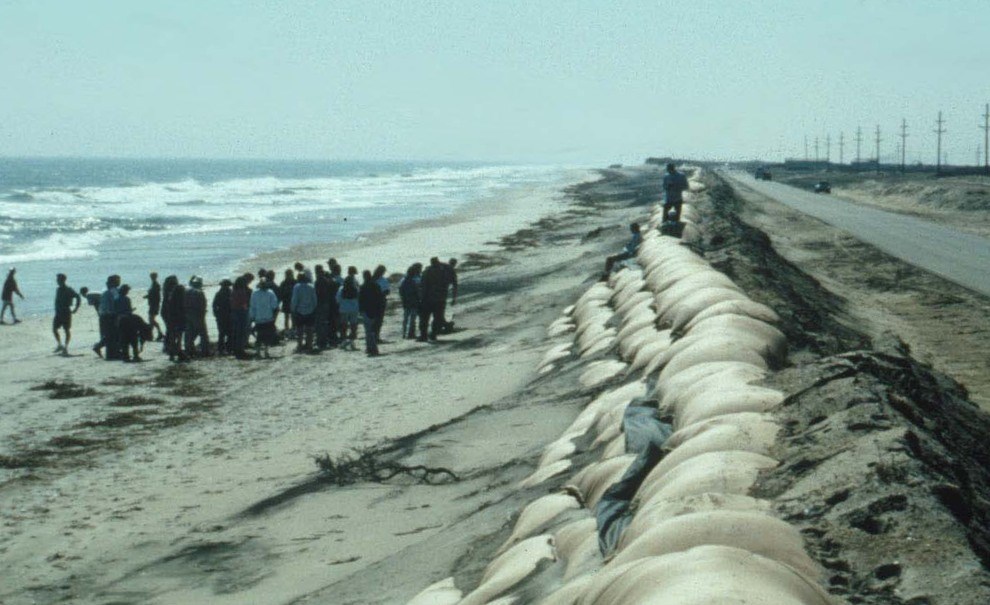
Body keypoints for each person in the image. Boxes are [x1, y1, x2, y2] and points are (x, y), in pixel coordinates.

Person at [249, 277, 280, 358]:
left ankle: (258, 352)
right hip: (268, 317)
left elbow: (252, 306)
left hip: (259, 318)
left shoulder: (254, 293)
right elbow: (274, 305)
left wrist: (252, 317)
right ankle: (266, 352)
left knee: (259, 335)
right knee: (267, 336)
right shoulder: (270, 293)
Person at [418, 257, 446, 341]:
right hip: (439, 299)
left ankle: (424, 335)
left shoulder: (427, 272)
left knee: (424, 319)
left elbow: (423, 286)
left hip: (427, 299)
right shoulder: (442, 272)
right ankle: (433, 334)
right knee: (437, 318)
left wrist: (421, 298)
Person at [52, 273, 81, 356]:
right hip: (58, 312)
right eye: (57, 280)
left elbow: (77, 296)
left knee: (66, 330)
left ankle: (66, 346)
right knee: (54, 329)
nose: (57, 281)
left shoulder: (68, 289)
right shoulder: (58, 289)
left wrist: (76, 308)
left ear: (62, 280)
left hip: (66, 312)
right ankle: (59, 344)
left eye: (58, 280)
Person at [359, 269, 385, 356]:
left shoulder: (363, 286)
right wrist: (380, 310)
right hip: (376, 311)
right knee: (373, 331)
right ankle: (371, 348)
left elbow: (360, 300)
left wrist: (361, 311)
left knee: (368, 331)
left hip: (366, 311)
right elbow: (380, 299)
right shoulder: (376, 285)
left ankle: (371, 348)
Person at [291, 269, 317, 352]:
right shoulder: (311, 286)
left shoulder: (297, 287)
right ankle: (309, 345)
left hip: (299, 310)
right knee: (309, 329)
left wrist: (293, 309)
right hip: (310, 310)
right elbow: (314, 300)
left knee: (300, 330)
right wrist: (314, 308)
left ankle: (299, 345)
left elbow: (295, 300)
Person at [184, 276, 210, 357]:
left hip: (187, 314)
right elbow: (203, 305)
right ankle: (205, 350)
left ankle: (189, 349)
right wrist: (203, 313)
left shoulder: (186, 291)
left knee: (189, 332)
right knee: (203, 333)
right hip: (197, 314)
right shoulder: (199, 292)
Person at [96, 275, 121, 359]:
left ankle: (109, 351)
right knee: (113, 335)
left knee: (108, 334)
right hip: (109, 315)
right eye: (117, 281)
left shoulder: (105, 291)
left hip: (104, 315)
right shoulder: (113, 291)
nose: (119, 282)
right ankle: (113, 354)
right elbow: (115, 304)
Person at [336, 267, 360, 349]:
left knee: (344, 325)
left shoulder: (342, 288)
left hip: (344, 308)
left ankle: (344, 340)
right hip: (354, 308)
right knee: (353, 325)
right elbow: (359, 297)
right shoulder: (356, 287)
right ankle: (352, 341)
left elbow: (337, 299)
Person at [229, 275, 252, 359]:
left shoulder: (233, 291)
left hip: (234, 312)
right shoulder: (241, 291)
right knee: (242, 332)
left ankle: (236, 350)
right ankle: (240, 350)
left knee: (236, 332)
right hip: (241, 312)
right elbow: (244, 303)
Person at [164, 280, 187, 361]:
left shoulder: (171, 299)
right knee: (179, 337)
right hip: (179, 320)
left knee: (172, 337)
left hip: (171, 320)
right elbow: (183, 310)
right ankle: (179, 351)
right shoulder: (181, 300)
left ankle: (172, 354)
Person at [398, 263, 422, 339]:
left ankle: (404, 334)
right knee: (412, 319)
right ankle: (411, 334)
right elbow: (417, 292)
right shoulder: (414, 281)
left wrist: (403, 299)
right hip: (414, 302)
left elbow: (400, 291)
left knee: (405, 319)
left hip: (406, 302)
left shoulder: (403, 280)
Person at [113, 284, 135, 361]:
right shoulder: (127, 299)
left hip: (119, 319)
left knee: (122, 338)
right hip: (127, 319)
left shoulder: (116, 299)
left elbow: (115, 310)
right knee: (131, 337)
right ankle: (135, 355)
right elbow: (129, 310)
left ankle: (125, 355)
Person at [437, 258, 458, 333]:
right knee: (440, 310)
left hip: (434, 291)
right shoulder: (452, 271)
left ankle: (439, 325)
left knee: (437, 310)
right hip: (443, 293)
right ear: (455, 264)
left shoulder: (443, 268)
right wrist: (454, 298)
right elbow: (455, 286)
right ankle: (440, 326)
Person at [212, 279, 233, 355]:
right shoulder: (230, 293)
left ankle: (221, 349)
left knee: (222, 333)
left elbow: (214, 305)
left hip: (222, 315)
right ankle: (228, 348)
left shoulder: (219, 293)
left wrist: (216, 314)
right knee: (229, 333)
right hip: (227, 315)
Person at [144, 272, 164, 341]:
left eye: (152, 276)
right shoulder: (154, 284)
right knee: (151, 320)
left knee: (151, 320)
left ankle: (158, 333)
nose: (151, 278)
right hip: (153, 304)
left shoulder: (156, 284)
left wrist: (148, 296)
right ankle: (153, 334)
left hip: (154, 304)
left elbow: (155, 295)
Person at [372, 265, 390, 341]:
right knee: (378, 319)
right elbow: (387, 291)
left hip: (374, 301)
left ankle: (374, 336)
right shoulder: (383, 280)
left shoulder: (372, 279)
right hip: (380, 301)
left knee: (375, 319)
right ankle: (376, 336)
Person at [278, 268, 296, 334]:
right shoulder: (285, 283)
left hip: (291, 302)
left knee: (292, 317)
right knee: (288, 317)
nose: (288, 276)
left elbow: (280, 293)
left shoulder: (292, 282)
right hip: (287, 302)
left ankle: (292, 329)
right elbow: (280, 293)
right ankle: (288, 329)